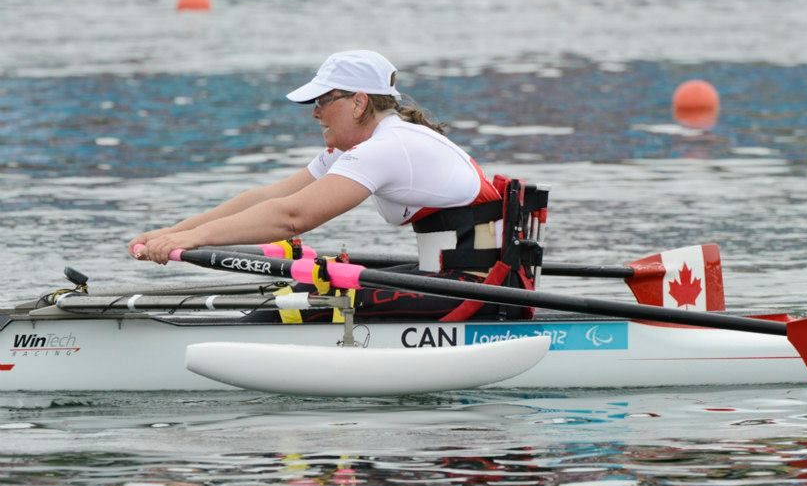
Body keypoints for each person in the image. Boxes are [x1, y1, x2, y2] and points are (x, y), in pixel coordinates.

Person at [130, 49, 537, 321]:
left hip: (482, 293)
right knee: (306, 287)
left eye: (323, 102)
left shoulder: (389, 147)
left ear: (359, 102)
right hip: (454, 279)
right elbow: (272, 197)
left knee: (298, 304)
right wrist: (176, 233)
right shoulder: (366, 144)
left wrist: (197, 240)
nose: (315, 114)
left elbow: (292, 218)